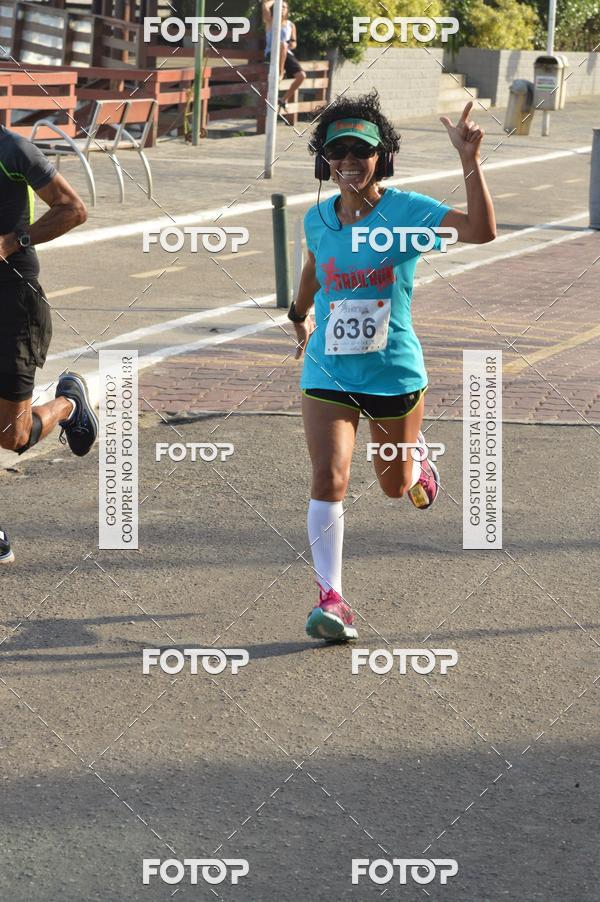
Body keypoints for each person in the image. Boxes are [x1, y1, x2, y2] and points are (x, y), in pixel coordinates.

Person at [288, 90, 496, 642]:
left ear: (383, 156)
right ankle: (331, 599)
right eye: (338, 151)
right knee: (328, 476)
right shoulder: (316, 218)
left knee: (393, 485)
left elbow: (480, 231)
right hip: (327, 370)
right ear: (323, 160)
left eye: (362, 150)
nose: (349, 160)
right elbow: (315, 267)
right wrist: (298, 311)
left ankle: (416, 460)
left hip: (394, 375)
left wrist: (469, 161)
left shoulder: (406, 212)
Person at [0, 125, 98, 565]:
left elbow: (73, 209)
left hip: (13, 302)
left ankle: (68, 404)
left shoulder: (12, 149)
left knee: (12, 436)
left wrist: (12, 241)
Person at [262, 0, 306, 116]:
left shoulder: (291, 25)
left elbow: (294, 42)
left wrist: (292, 44)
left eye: (284, 7)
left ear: (287, 10)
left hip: (286, 53)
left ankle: (284, 99)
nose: (282, 9)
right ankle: (281, 73)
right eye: (280, 6)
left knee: (301, 76)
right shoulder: (270, 21)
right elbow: (265, 5)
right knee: (282, 44)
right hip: (271, 53)